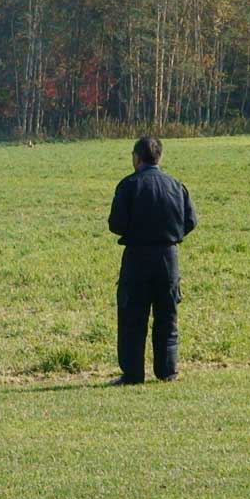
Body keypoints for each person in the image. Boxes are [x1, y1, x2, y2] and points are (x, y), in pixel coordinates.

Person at [107, 136, 197, 385]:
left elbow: (116, 224)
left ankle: (133, 373)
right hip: (168, 256)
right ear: (159, 157)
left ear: (137, 158)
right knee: (167, 315)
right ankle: (167, 371)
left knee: (132, 317)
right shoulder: (176, 185)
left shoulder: (128, 185)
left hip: (137, 257)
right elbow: (191, 221)